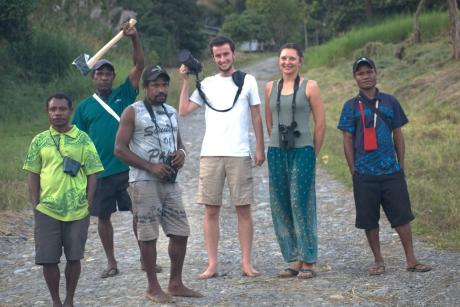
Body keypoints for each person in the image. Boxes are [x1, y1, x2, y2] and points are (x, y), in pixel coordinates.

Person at [178, 36, 265, 279]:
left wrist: (259, 148)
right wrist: (185, 81)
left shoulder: (248, 81)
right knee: (210, 211)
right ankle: (212, 264)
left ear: (233, 54)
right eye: (218, 55)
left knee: (243, 209)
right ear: (213, 58)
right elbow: (184, 111)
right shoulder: (206, 83)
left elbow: (256, 116)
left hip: (238, 152)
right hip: (211, 153)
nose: (223, 59)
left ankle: (246, 263)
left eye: (226, 54)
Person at [115, 65, 202, 303]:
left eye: (164, 85)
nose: (160, 89)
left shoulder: (172, 112)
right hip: (143, 181)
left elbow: (180, 143)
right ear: (146, 87)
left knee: (181, 232)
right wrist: (150, 166)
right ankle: (153, 287)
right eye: (155, 85)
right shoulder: (132, 111)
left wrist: (182, 154)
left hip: (170, 181)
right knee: (148, 234)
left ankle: (175, 283)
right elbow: (119, 149)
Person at [337, 57, 432, 275]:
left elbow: (398, 134)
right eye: (360, 73)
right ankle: (378, 261)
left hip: (390, 170)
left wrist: (400, 165)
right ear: (355, 78)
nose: (366, 76)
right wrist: (354, 170)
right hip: (364, 172)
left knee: (402, 216)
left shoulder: (390, 102)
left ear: (376, 73)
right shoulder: (350, 106)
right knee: (370, 219)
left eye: (369, 71)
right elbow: (347, 139)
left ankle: (411, 259)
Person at [72, 21, 150, 278]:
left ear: (113, 77)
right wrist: (75, 170)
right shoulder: (84, 108)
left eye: (108, 74)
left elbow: (139, 65)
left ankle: (145, 259)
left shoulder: (125, 94)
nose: (104, 77)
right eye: (99, 73)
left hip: (128, 168)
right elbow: (76, 141)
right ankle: (111, 262)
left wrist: (133, 37)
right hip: (99, 172)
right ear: (93, 78)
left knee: (138, 213)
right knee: (102, 218)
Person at [23, 93, 104, 307]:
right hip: (47, 209)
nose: (57, 113)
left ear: (70, 111)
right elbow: (32, 172)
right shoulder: (39, 140)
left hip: (77, 210)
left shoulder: (83, 139)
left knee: (74, 257)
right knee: (48, 259)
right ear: (47, 112)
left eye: (62, 109)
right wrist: (36, 204)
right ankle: (56, 301)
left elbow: (93, 173)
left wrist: (88, 202)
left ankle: (69, 299)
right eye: (53, 109)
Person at [264, 43, 326, 279]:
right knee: (280, 203)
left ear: (300, 61)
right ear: (278, 61)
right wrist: (275, 142)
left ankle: (308, 258)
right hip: (277, 151)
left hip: (303, 151)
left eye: (292, 58)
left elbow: (320, 124)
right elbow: (270, 121)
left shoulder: (310, 86)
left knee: (301, 202)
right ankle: (293, 259)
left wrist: (312, 152)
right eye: (283, 58)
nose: (287, 62)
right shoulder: (270, 87)